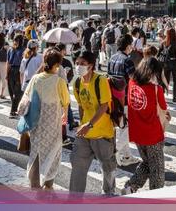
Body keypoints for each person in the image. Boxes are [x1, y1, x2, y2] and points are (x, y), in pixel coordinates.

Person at [17, 49, 69, 190]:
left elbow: (26, 97)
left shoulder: (35, 78)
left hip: (35, 122)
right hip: (53, 124)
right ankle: (48, 184)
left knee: (36, 153)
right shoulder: (59, 82)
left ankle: (35, 184)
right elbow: (66, 102)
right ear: (57, 65)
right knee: (54, 152)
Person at [70, 51, 118, 195]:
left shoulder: (100, 81)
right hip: (85, 134)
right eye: (77, 63)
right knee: (78, 166)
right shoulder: (77, 82)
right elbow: (80, 105)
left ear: (91, 66)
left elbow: (104, 106)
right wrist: (82, 124)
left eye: (83, 64)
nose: (79, 66)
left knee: (108, 166)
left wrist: (89, 124)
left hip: (103, 134)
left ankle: (109, 193)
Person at [121, 57, 170, 194]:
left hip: (137, 132)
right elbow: (163, 108)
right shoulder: (156, 89)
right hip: (153, 134)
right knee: (157, 170)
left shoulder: (131, 83)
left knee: (147, 163)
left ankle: (130, 187)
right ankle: (155, 196)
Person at [107, 34, 140, 167]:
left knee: (122, 126)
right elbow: (134, 79)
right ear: (127, 46)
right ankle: (115, 151)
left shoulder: (112, 58)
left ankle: (127, 156)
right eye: (131, 45)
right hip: (126, 98)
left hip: (113, 97)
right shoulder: (127, 60)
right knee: (129, 127)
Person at [20, 40, 43, 114]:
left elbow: (21, 73)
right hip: (37, 83)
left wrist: (22, 84)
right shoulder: (40, 57)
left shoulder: (24, 58)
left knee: (27, 103)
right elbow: (42, 71)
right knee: (36, 104)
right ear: (36, 48)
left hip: (26, 83)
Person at [158, 28, 176, 103]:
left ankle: (162, 95)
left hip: (165, 63)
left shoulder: (164, 42)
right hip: (174, 62)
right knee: (175, 81)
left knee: (165, 80)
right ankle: (174, 97)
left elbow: (159, 52)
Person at [6, 35, 26, 117]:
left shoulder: (24, 50)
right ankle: (15, 107)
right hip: (12, 70)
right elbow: (8, 63)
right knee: (11, 91)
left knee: (18, 92)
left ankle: (13, 111)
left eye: (17, 40)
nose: (15, 42)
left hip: (19, 71)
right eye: (15, 40)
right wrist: (6, 74)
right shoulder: (10, 49)